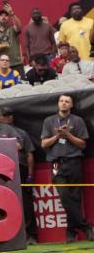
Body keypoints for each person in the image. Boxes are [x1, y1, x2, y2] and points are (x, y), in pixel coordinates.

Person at [40, 94, 93, 242]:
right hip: (57, 164)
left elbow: (83, 144)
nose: (64, 104)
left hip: (75, 162)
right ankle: (86, 227)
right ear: (58, 104)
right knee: (64, 196)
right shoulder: (49, 121)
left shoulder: (78, 121)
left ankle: (70, 232)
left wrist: (67, 135)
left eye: (67, 102)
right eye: (61, 101)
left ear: (71, 105)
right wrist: (57, 136)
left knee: (75, 198)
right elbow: (44, 144)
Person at [0, 107, 37, 244]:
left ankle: (30, 235)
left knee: (26, 204)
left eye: (8, 115)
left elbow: (29, 154)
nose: (5, 118)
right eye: (3, 115)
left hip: (20, 169)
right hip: (1, 170)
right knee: (4, 203)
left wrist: (30, 174)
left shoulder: (21, 133)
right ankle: (7, 236)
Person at [0, 3, 24, 76]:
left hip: (16, 64)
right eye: (1, 15)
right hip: (2, 67)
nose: (3, 17)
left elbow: (19, 26)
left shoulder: (13, 29)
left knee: (21, 86)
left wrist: (12, 13)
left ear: (8, 18)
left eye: (6, 15)